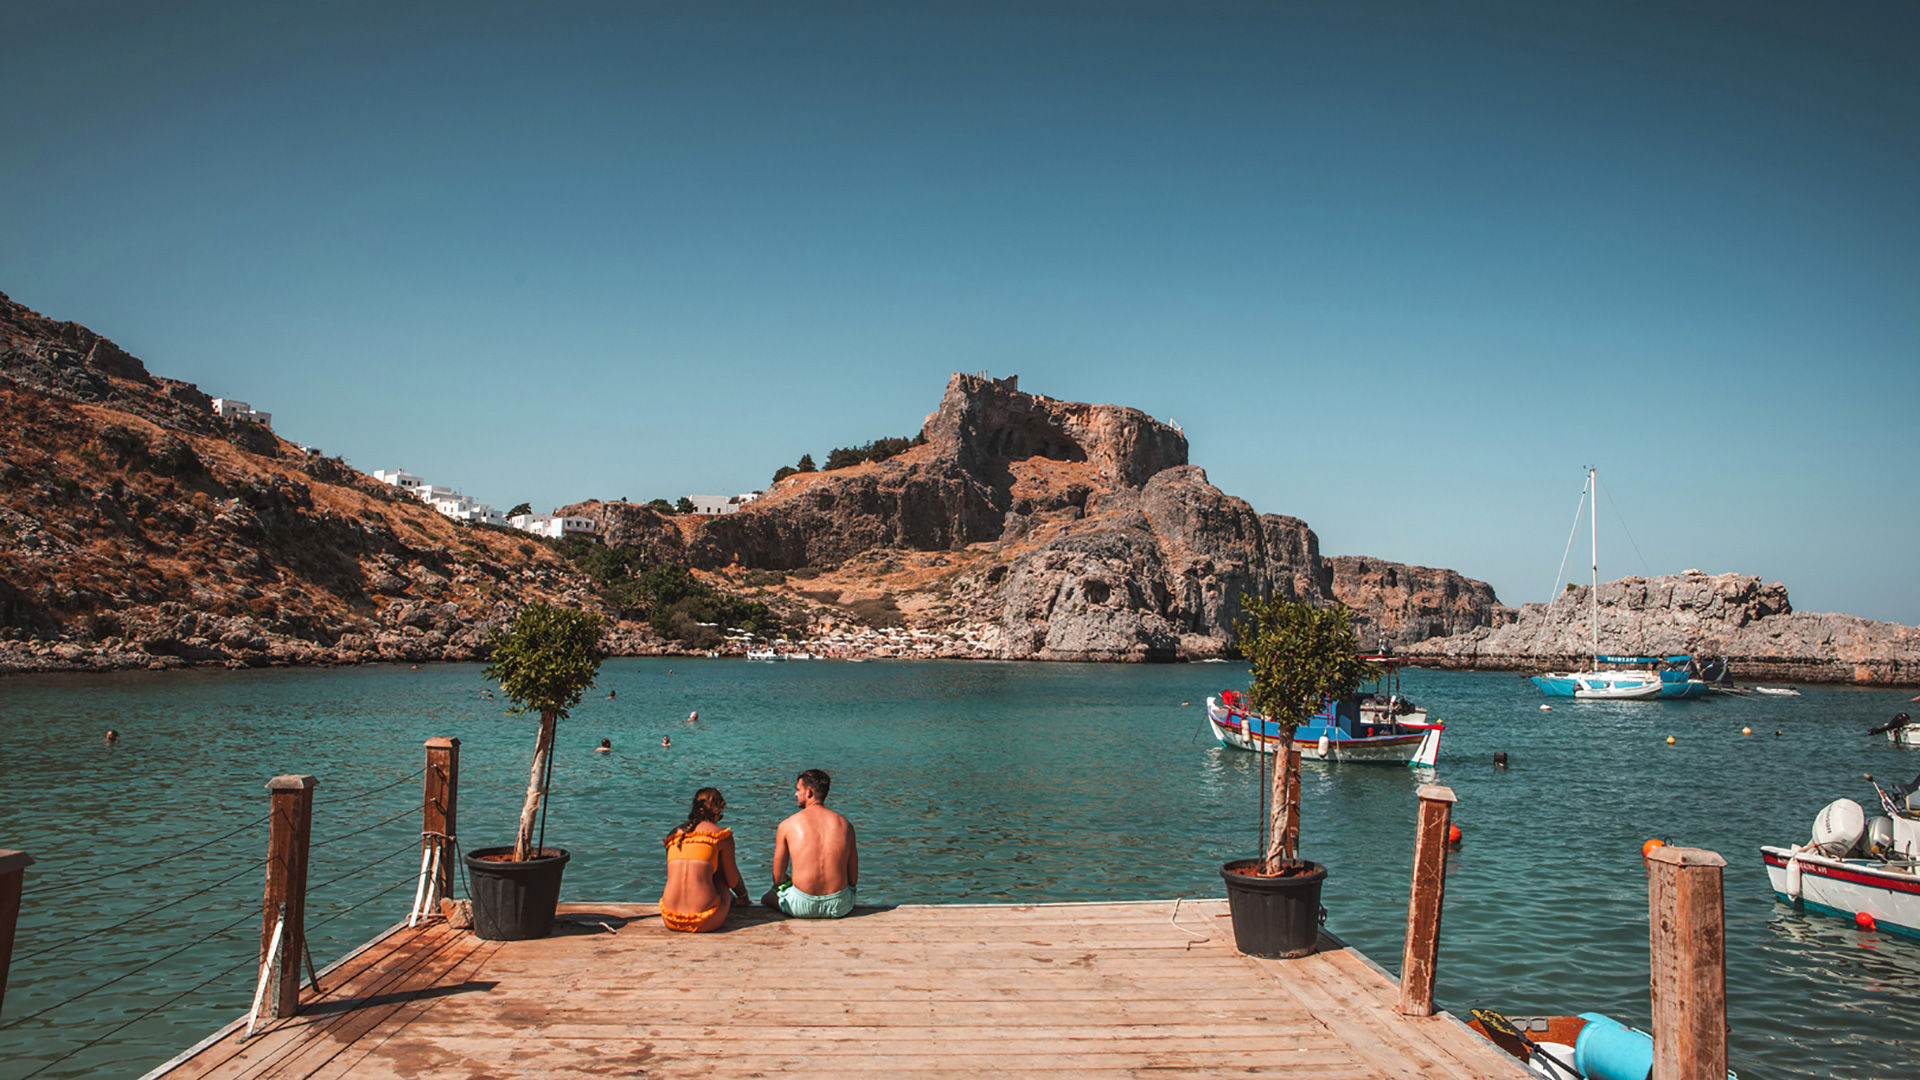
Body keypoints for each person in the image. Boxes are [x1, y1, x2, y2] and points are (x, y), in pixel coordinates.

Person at [762, 769, 858, 919]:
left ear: (809, 792)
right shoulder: (846, 825)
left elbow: (777, 878)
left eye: (798, 789)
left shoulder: (787, 825)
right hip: (840, 905)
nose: (795, 794)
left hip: (801, 905)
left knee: (768, 896)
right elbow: (853, 879)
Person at [658, 788, 750, 933]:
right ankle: (741, 899)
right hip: (705, 919)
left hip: (670, 917)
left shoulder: (673, 835)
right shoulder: (720, 836)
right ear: (717, 812)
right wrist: (743, 895)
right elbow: (732, 881)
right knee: (720, 871)